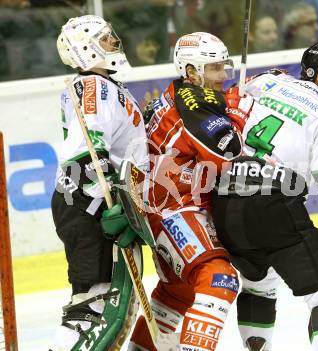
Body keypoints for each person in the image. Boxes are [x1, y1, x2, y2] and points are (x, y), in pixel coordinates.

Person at [211, 42, 318, 351]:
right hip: (273, 203)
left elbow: (228, 105)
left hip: (223, 198)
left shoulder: (268, 79)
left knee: (259, 282)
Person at [128, 32, 244, 351]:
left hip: (158, 210)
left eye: (224, 67)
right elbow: (228, 157)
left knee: (177, 293)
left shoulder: (176, 93)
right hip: (173, 211)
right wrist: (236, 113)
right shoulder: (196, 107)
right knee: (219, 278)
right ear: (191, 72)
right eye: (214, 69)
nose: (223, 76)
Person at [51, 15, 149, 350]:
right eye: (105, 38)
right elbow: (86, 151)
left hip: (94, 197)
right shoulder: (93, 86)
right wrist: (106, 197)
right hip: (87, 199)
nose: (113, 42)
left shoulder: (109, 87)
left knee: (105, 303)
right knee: (89, 303)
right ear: (86, 49)